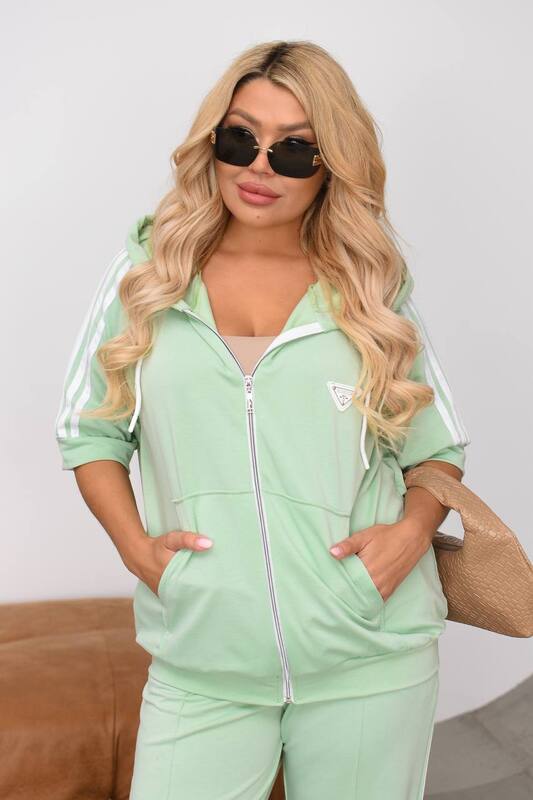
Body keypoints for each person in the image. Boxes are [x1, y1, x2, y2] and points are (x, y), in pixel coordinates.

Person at [55, 39, 471, 800]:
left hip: (370, 654)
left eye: (294, 150)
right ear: (212, 142)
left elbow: (437, 448)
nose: (258, 167)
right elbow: (90, 432)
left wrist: (407, 538)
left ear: (331, 165)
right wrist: (139, 552)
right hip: (204, 655)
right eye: (240, 138)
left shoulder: (368, 286)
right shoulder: (148, 276)